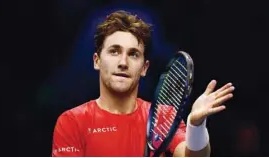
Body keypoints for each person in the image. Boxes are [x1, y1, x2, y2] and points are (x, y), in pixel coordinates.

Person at [52, 10, 235, 157]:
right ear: (97, 61)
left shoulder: (162, 119)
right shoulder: (71, 122)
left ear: (144, 67)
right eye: (114, 51)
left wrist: (196, 125)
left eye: (133, 54)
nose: (123, 62)